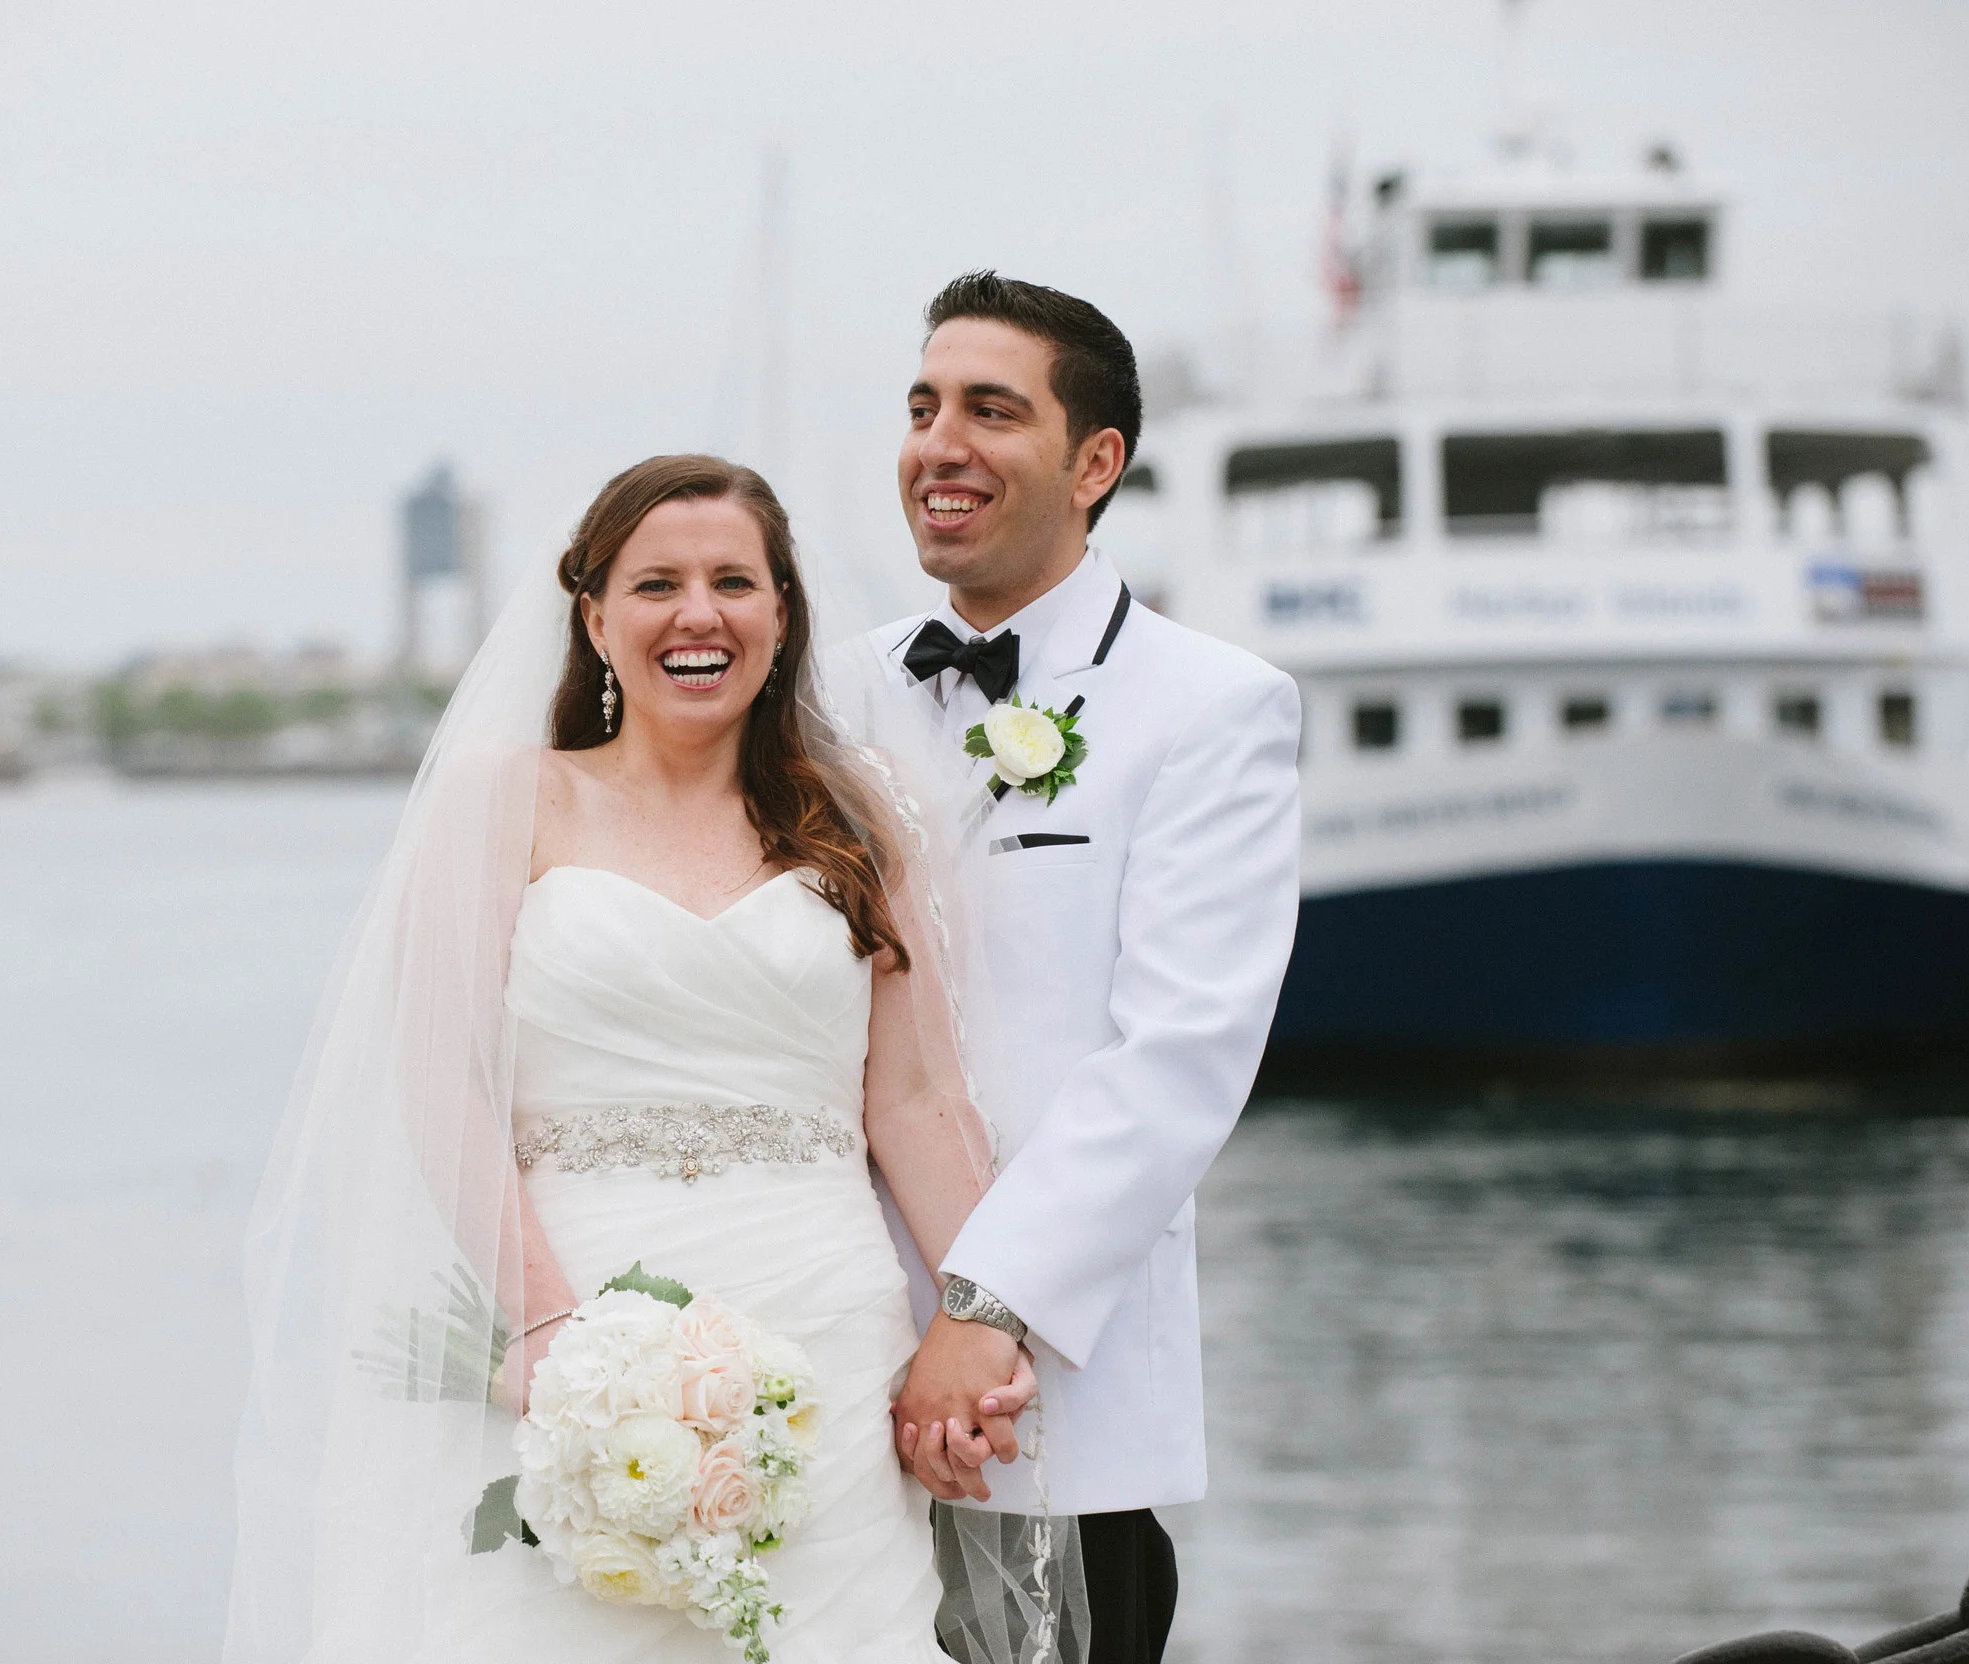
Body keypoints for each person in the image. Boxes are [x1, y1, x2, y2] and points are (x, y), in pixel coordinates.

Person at [225, 453, 1075, 1664]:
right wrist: (545, 1332)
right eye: (657, 583)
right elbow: (441, 1077)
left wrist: (981, 1314)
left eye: (735, 580)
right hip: (574, 1338)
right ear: (594, 617)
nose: (698, 613)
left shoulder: (857, 819)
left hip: (828, 1337)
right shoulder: (504, 802)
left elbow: (920, 1096)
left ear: (781, 615)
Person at [872, 273, 1303, 1664]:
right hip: (816, 1367)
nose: (941, 443)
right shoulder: (828, 688)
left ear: (1095, 461)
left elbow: (1179, 1061)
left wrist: (983, 1304)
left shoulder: (1213, 707)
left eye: (993, 411)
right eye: (925, 406)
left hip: (1051, 1394)